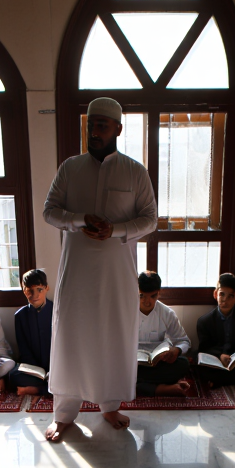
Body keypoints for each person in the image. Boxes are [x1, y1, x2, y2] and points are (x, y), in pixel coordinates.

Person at [42, 96, 157, 441]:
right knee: (71, 338)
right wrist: (78, 220)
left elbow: (150, 219)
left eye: (102, 125)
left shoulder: (135, 171)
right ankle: (63, 414)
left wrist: (116, 230)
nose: (94, 131)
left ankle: (109, 405)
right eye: (91, 124)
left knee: (112, 337)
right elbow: (49, 211)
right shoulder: (70, 168)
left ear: (118, 129)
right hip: (75, 273)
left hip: (116, 274)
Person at [194, 272, 235, 388]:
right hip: (216, 359)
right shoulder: (204, 321)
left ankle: (220, 381)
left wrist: (233, 356)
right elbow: (205, 347)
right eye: (222, 294)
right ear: (215, 294)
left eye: (231, 296)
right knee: (197, 359)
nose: (225, 300)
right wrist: (220, 355)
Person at [136, 271, 192, 398]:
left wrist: (176, 351)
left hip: (158, 363)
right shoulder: (125, 311)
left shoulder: (167, 313)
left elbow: (184, 341)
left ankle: (140, 386)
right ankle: (162, 388)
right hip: (133, 364)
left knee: (183, 364)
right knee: (114, 370)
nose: (147, 302)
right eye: (141, 296)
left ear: (159, 293)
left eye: (152, 296)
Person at [1, 269, 52, 397]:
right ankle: (47, 387)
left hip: (55, 365)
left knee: (72, 378)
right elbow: (23, 348)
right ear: (24, 291)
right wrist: (37, 371)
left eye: (39, 290)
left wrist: (52, 369)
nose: (35, 295)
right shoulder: (20, 316)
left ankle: (35, 390)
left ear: (47, 288)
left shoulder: (57, 311)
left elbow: (64, 345)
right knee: (13, 376)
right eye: (30, 291)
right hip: (33, 368)